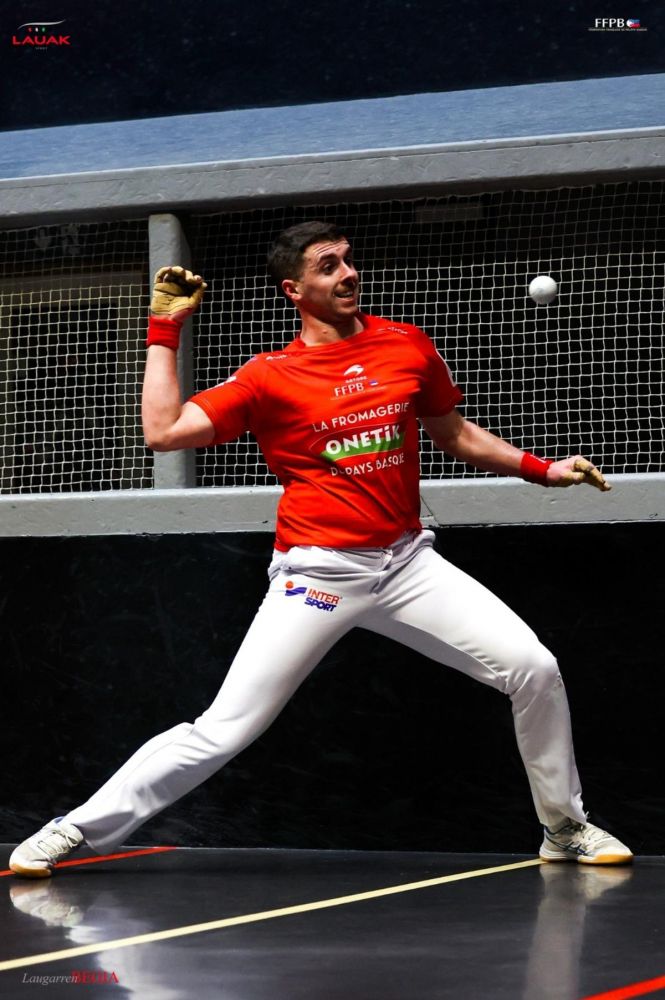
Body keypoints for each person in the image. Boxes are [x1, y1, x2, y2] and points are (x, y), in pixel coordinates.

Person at [10, 220, 632, 877]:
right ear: (294, 289)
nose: (347, 274)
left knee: (531, 667)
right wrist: (165, 330)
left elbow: (452, 433)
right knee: (225, 727)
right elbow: (163, 432)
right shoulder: (268, 378)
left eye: (347, 261)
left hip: (406, 564)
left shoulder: (404, 345)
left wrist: (542, 468)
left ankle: (562, 827)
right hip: (319, 572)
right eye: (328, 266)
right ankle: (74, 829)